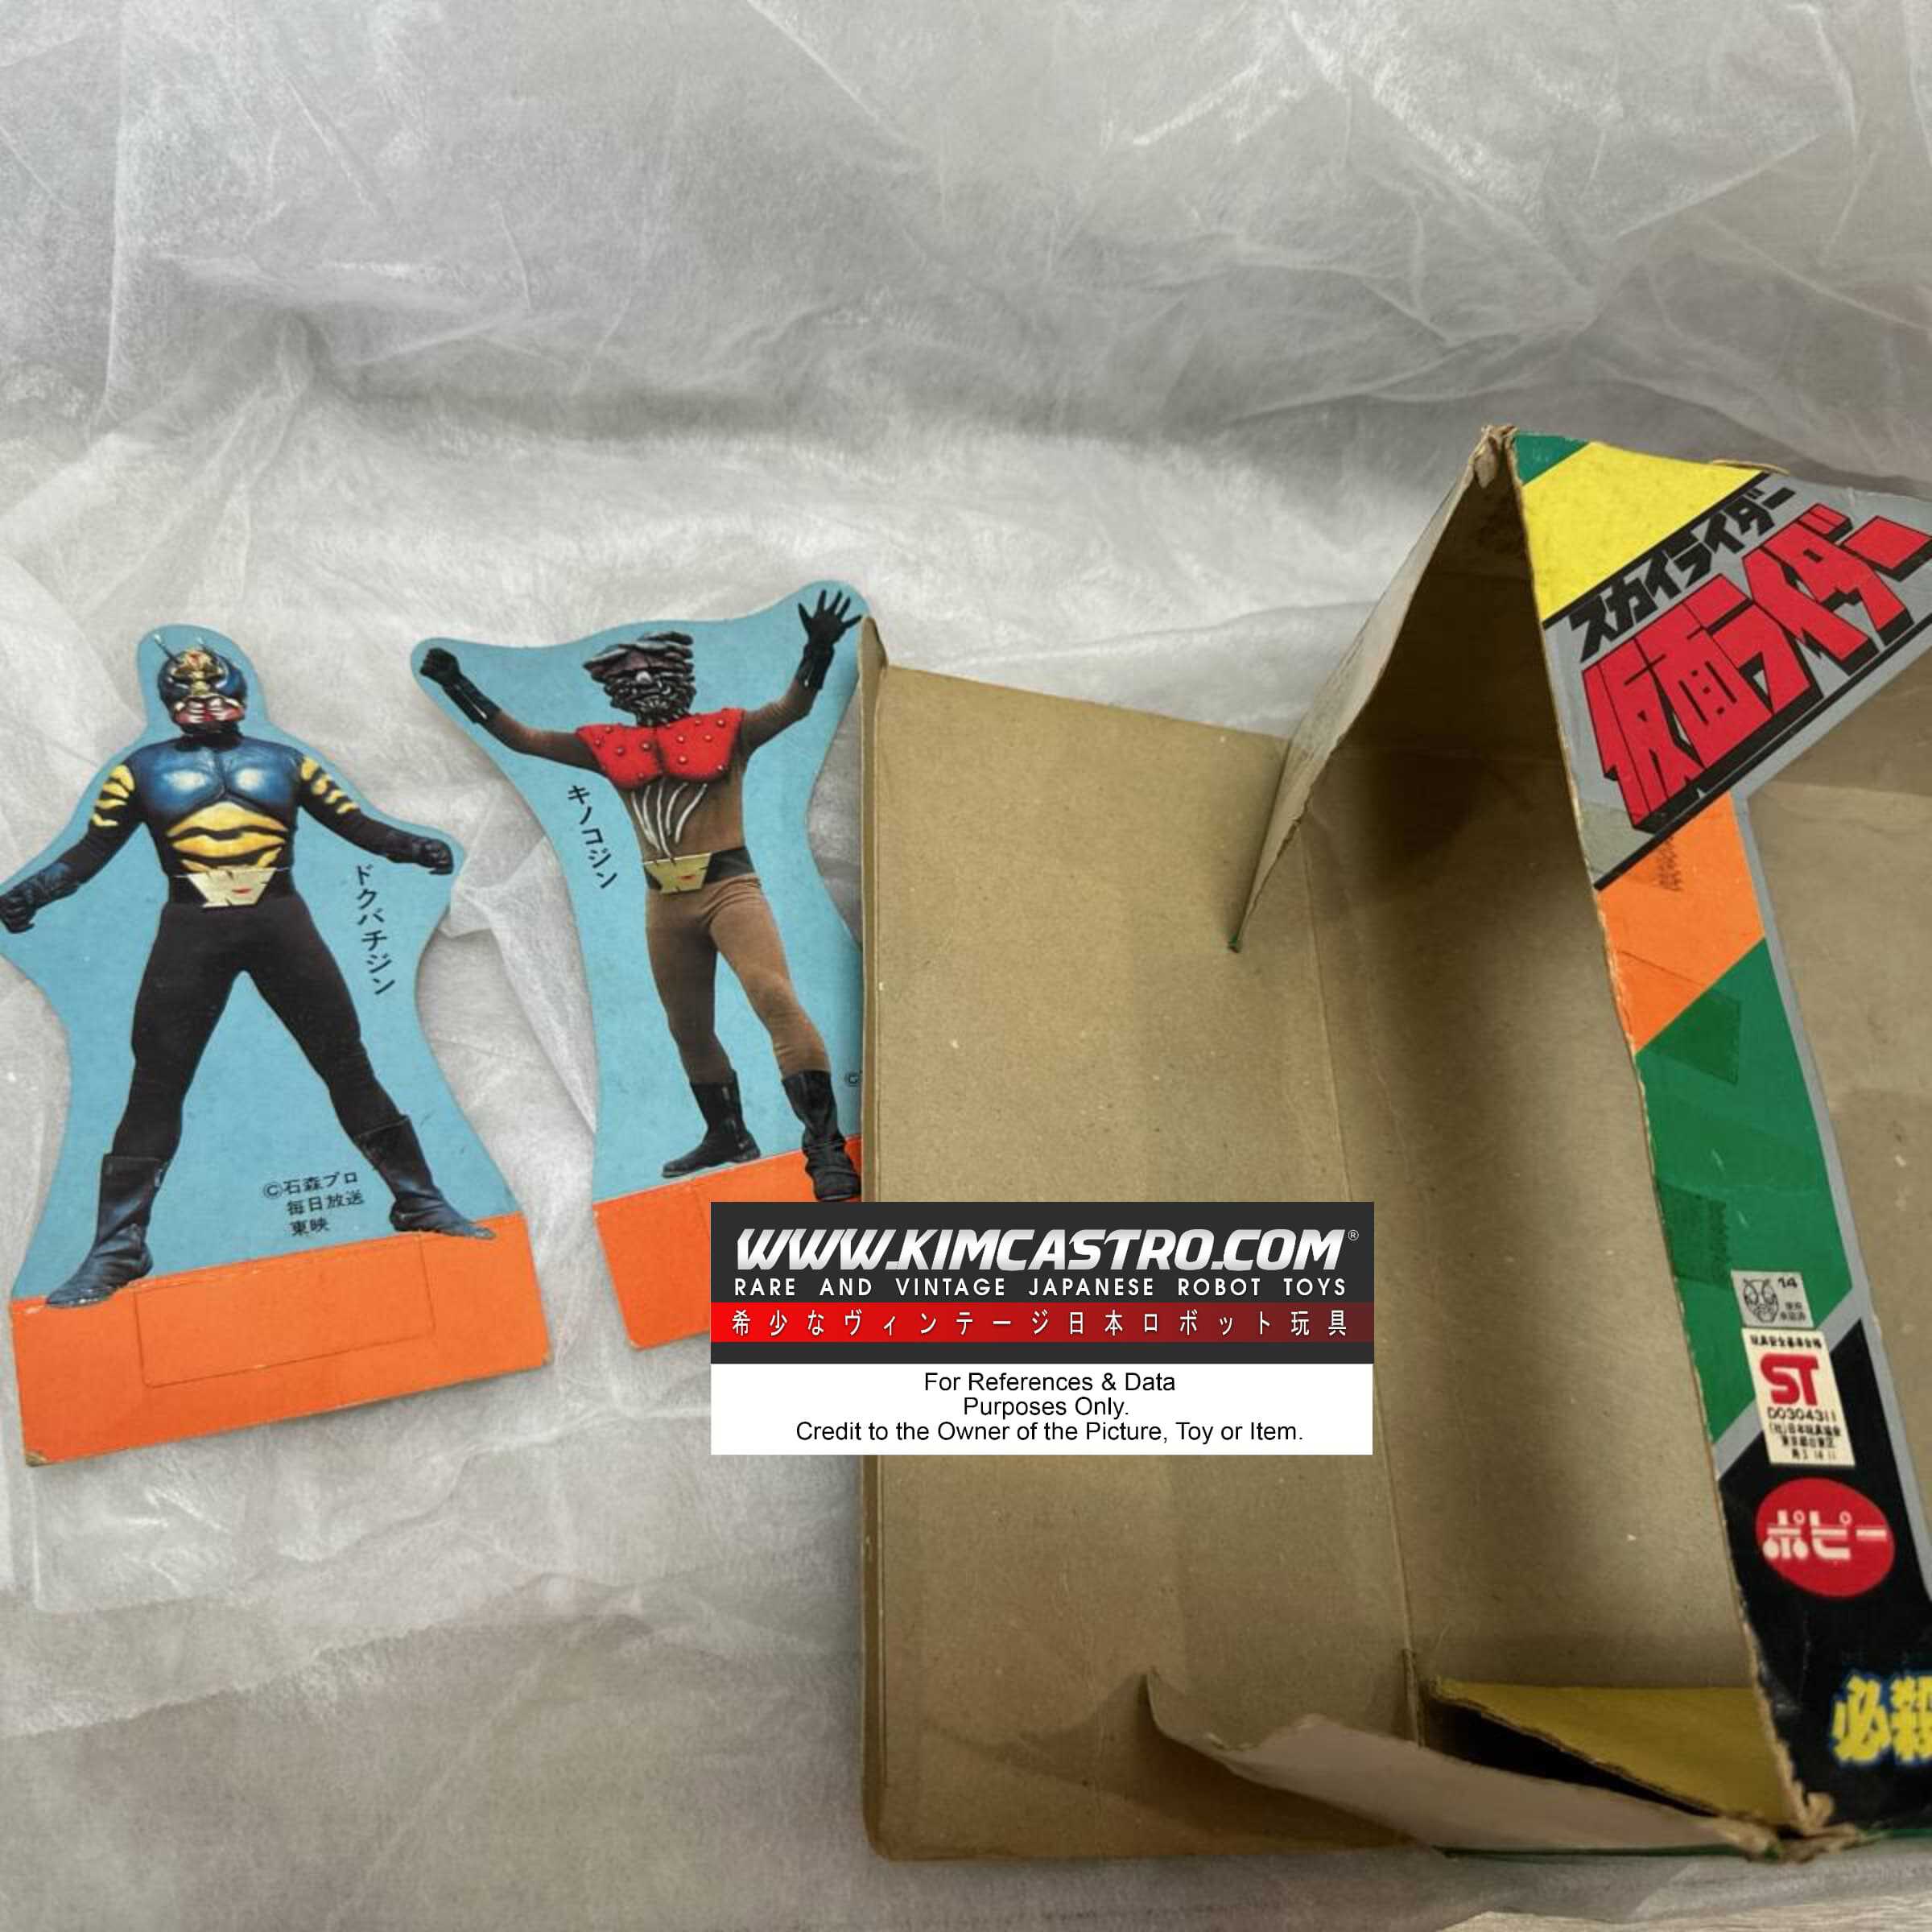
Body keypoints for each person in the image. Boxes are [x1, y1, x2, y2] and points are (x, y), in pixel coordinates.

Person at [0, 640, 491, 1307]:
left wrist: (412, 847)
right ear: (169, 700)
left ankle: (419, 1199)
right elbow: (93, 849)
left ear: (239, 691)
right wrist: (35, 891)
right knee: (156, 1082)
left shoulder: (286, 761)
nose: (203, 698)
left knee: (346, 1061)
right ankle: (117, 1247)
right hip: (192, 928)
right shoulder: (139, 770)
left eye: (215, 686)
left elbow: (353, 823)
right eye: (188, 689)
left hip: (280, 921)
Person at [420, 592, 861, 1201]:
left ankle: (826, 1146)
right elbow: (524, 740)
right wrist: (458, 685)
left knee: (774, 997)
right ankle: (728, 1134)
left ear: (680, 674)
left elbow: (792, 709)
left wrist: (817, 649)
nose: (645, 680)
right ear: (613, 688)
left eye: (654, 669)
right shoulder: (607, 746)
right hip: (665, 905)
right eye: (630, 674)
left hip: (730, 890)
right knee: (688, 1026)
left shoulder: (729, 730)